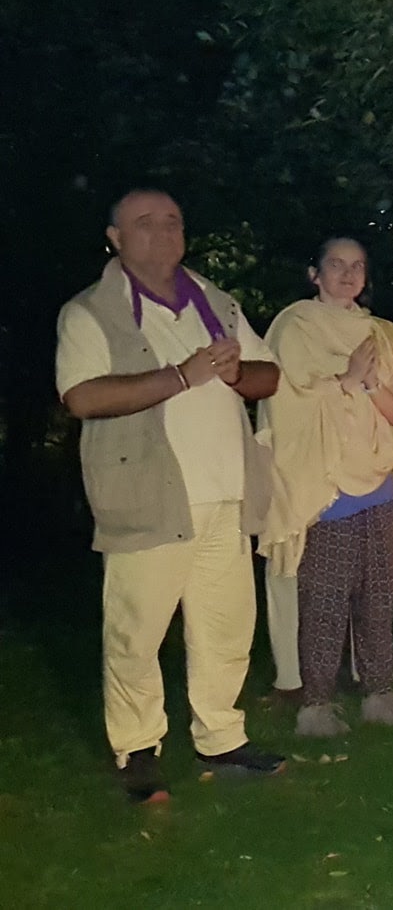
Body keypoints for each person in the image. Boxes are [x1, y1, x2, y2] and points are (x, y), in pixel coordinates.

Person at [58, 189, 286, 802]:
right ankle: (137, 749)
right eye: (144, 223)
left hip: (226, 496)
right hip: (147, 496)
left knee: (226, 626)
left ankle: (222, 735)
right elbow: (82, 397)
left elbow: (269, 375)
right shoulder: (89, 312)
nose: (161, 232)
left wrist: (237, 373)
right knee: (137, 632)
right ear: (115, 236)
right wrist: (183, 375)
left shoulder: (215, 302)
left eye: (173, 221)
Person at [258, 237, 393, 737]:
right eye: (337, 265)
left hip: (376, 476)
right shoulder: (295, 326)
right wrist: (349, 379)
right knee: (326, 596)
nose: (349, 274)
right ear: (315, 273)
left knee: (379, 591)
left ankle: (380, 691)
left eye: (358, 266)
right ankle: (316, 704)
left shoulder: (375, 331)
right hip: (325, 481)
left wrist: (368, 383)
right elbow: (286, 401)